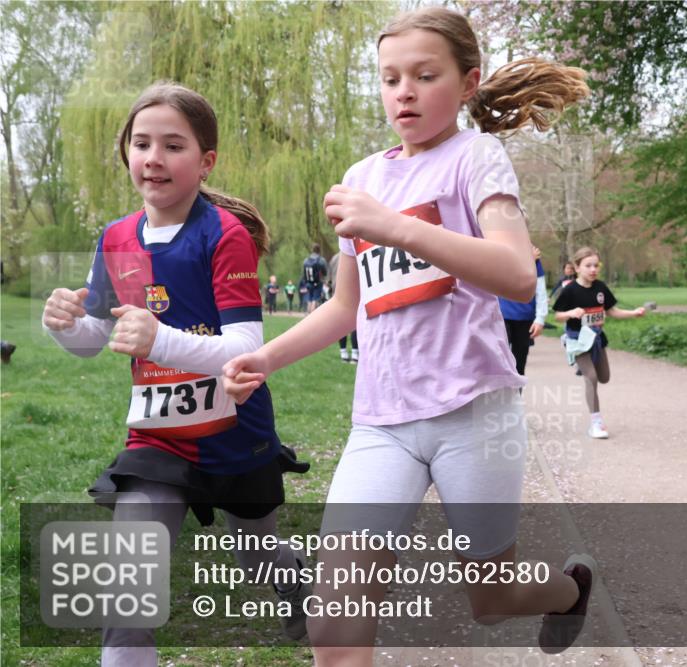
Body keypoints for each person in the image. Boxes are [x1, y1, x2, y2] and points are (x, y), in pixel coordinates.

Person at [221, 7, 593, 664]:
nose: (405, 91)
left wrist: (394, 226)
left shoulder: (477, 157)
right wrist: (265, 356)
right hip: (381, 423)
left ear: (468, 81)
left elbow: (514, 274)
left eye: (425, 75)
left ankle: (567, 591)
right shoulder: (362, 179)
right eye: (391, 78)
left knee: (492, 597)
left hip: (474, 414)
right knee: (334, 620)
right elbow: (345, 307)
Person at [40, 82, 311, 666]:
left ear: (205, 160)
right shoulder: (115, 237)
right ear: (126, 155)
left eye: (173, 145)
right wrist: (64, 325)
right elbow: (96, 338)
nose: (153, 158)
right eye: (141, 144)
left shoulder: (224, 237)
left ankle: (295, 585)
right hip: (158, 440)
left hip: (237, 436)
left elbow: (245, 347)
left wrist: (159, 338)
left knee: (259, 556)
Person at [553, 247, 645, 439]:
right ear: (577, 267)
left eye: (596, 265)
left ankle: (584, 368)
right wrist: (570, 313)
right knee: (592, 377)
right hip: (577, 340)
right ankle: (596, 423)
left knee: (604, 377)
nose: (593, 269)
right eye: (588, 266)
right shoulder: (570, 290)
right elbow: (558, 316)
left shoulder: (601, 288)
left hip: (596, 339)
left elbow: (612, 311)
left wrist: (633, 313)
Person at [499, 245, 548, 375]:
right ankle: (500, 393)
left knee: (519, 364)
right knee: (500, 360)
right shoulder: (497, 247)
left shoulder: (532, 256)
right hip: (501, 315)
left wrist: (540, 319)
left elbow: (541, 290)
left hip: (524, 316)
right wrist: (525, 261)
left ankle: (517, 394)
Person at [328, 250, 358, 362]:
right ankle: (355, 353)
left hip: (337, 292)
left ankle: (343, 352)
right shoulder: (355, 254)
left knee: (342, 324)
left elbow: (329, 279)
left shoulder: (334, 258)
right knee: (355, 324)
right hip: (353, 291)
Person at [302, 243, 328, 313]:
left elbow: (304, 273)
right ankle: (312, 316)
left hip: (308, 283)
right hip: (317, 283)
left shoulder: (306, 260)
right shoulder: (321, 260)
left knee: (309, 299)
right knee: (315, 299)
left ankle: (307, 316)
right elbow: (325, 272)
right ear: (319, 250)